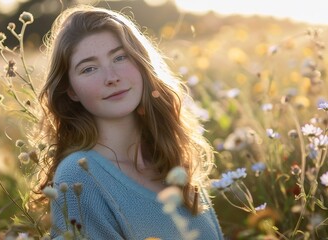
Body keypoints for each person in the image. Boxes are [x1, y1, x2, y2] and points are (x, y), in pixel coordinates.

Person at [39, 4, 223, 239]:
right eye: (89, 69)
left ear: (141, 63)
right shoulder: (79, 177)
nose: (112, 77)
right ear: (71, 90)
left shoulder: (171, 157)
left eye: (120, 57)